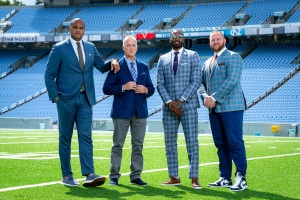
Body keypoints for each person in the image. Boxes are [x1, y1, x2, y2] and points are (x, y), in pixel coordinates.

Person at [44, 18, 120, 187]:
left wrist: (114, 61)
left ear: (84, 30)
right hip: (66, 99)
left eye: (81, 28)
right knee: (65, 137)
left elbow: (101, 66)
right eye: (75, 27)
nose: (78, 30)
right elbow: (49, 75)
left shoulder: (90, 47)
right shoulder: (59, 49)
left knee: (86, 136)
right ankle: (67, 175)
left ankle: (89, 174)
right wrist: (55, 96)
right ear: (70, 29)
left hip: (86, 99)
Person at [103, 35, 155, 186]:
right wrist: (123, 88)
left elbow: (151, 88)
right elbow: (106, 88)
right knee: (117, 145)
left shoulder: (144, 66)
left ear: (137, 47)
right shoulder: (116, 66)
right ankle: (114, 176)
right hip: (121, 113)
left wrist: (146, 90)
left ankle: (135, 176)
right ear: (123, 48)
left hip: (140, 112)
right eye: (128, 45)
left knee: (138, 145)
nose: (131, 47)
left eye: (133, 45)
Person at [199, 30, 248, 191]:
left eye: (217, 39)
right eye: (212, 40)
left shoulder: (233, 57)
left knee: (234, 142)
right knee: (220, 144)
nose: (215, 42)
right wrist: (205, 97)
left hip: (231, 107)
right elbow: (200, 84)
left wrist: (214, 98)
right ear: (209, 42)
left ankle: (241, 177)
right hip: (213, 110)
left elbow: (232, 80)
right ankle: (224, 177)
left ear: (224, 40)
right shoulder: (206, 62)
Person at [156, 29, 202, 189]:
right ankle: (174, 176)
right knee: (169, 143)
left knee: (192, 142)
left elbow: (196, 81)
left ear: (183, 39)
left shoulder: (193, 55)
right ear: (170, 39)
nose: (176, 39)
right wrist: (170, 103)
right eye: (174, 36)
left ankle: (194, 177)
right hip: (169, 108)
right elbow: (159, 84)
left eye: (179, 36)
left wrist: (181, 101)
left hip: (188, 106)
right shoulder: (162, 59)